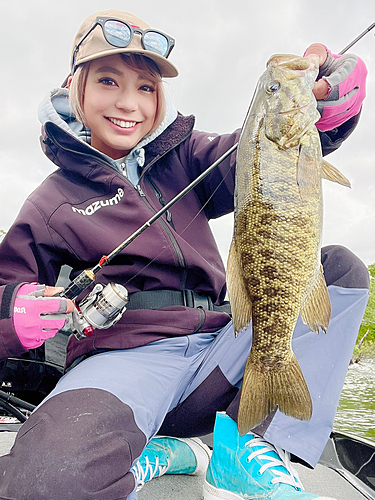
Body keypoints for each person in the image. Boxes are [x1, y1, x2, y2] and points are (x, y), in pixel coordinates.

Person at [0, 10, 369, 500]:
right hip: (123, 362)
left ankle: (251, 449)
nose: (129, 103)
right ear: (75, 88)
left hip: (223, 349)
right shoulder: (51, 201)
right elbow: (6, 284)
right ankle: (176, 449)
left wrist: (328, 112)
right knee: (45, 482)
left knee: (341, 268)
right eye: (109, 81)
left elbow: (265, 155)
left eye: (146, 87)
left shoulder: (189, 157)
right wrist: (14, 309)